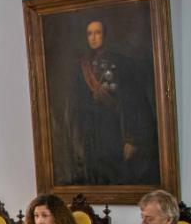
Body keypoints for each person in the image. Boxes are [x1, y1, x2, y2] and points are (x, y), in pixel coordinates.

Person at [66, 19, 158, 186]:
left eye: (97, 32)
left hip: (114, 130)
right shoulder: (81, 68)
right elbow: (75, 106)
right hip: (92, 134)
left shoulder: (122, 62)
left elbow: (134, 102)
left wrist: (131, 138)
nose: (93, 38)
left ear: (105, 35)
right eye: (89, 34)